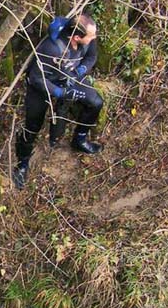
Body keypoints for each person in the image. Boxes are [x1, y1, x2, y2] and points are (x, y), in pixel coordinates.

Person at [13, 14, 104, 189]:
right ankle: (22, 164)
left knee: (95, 102)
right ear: (77, 37)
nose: (94, 38)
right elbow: (36, 78)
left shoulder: (88, 38)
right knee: (33, 125)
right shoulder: (51, 48)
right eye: (91, 36)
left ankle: (80, 139)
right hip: (43, 85)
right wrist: (60, 93)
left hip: (69, 77)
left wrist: (77, 74)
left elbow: (91, 58)